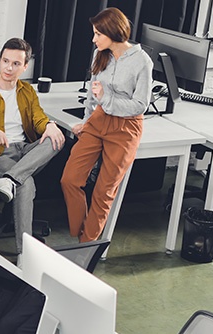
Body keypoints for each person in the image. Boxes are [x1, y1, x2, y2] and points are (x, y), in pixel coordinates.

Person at [0, 38, 66, 253]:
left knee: (56, 138)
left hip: (25, 151)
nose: (9, 68)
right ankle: (24, 254)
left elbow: (38, 119)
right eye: (5, 61)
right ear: (0, 61)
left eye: (16, 64)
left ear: (25, 66)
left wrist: (49, 125)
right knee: (25, 184)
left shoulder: (27, 91)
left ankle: (10, 179)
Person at [60, 7, 152, 243]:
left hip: (125, 128)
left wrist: (107, 101)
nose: (94, 39)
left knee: (104, 193)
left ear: (114, 32)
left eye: (98, 34)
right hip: (98, 121)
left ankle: (85, 246)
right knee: (70, 179)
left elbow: (140, 105)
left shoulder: (142, 61)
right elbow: (92, 95)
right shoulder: (99, 54)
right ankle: (79, 234)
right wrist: (86, 121)